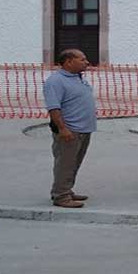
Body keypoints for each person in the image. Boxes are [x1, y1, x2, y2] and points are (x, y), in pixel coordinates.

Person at [43, 49, 97, 208]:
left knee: (74, 163)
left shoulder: (79, 78)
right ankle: (61, 196)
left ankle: (66, 189)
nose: (86, 62)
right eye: (82, 59)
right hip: (70, 130)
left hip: (84, 129)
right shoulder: (56, 81)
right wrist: (62, 129)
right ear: (68, 62)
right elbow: (54, 108)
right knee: (65, 164)